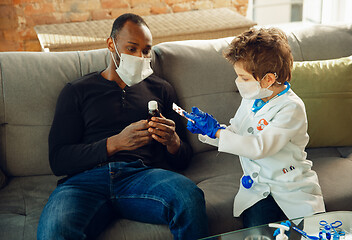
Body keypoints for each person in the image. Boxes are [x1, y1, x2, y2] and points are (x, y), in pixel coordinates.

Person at [37, 13, 209, 240]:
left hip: (140, 176)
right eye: (131, 49)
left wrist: (173, 142)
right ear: (111, 44)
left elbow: (184, 159)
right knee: (55, 230)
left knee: (189, 197)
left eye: (146, 50)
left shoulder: (161, 89)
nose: (140, 56)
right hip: (83, 184)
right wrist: (114, 143)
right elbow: (58, 160)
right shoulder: (77, 91)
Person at [184, 28, 325, 228]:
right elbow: (236, 133)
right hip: (258, 190)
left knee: (314, 231)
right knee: (256, 231)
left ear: (268, 79)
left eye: (244, 78)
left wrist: (217, 132)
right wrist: (209, 131)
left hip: (291, 188)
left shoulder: (291, 108)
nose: (238, 82)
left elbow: (260, 147)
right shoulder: (252, 99)